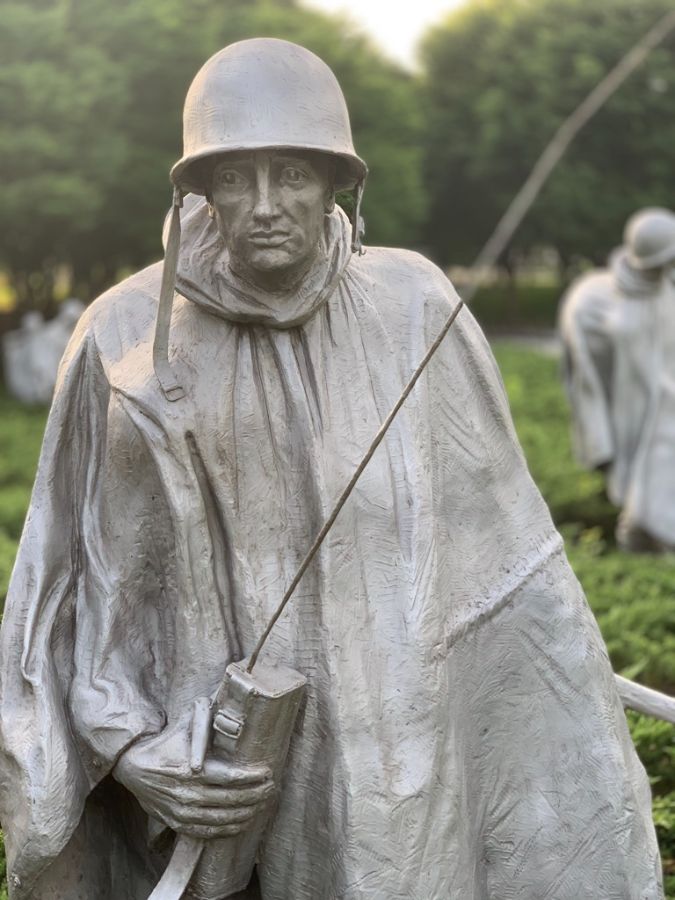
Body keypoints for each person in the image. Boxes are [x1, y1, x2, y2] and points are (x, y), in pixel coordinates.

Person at [0, 39, 663, 900]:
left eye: (294, 174)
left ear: (338, 183)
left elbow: (511, 575)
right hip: (216, 784)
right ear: (197, 189)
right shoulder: (123, 338)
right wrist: (127, 747)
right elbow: (61, 588)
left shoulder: (417, 309)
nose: (266, 206)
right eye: (235, 178)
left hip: (401, 777)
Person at [559, 207, 675, 551]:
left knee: (661, 473)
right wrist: (599, 436)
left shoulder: (666, 289)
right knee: (638, 489)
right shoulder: (595, 299)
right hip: (627, 406)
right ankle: (636, 547)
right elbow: (586, 374)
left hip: (664, 406)